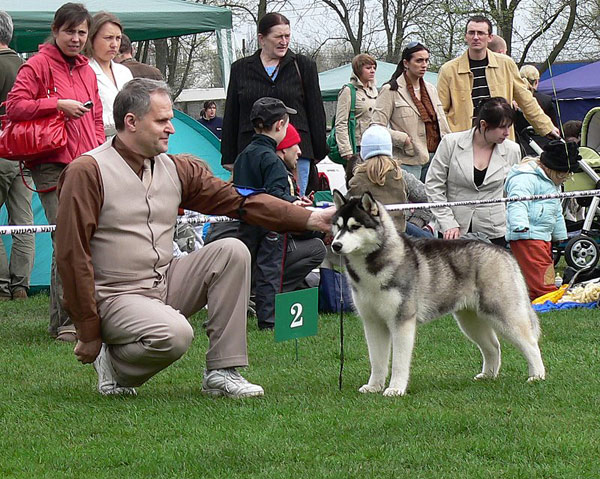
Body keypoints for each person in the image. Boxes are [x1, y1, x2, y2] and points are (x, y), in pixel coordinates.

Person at [55, 79, 334, 397]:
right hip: (114, 297)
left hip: (164, 282)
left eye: (170, 119)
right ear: (131, 122)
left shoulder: (176, 168)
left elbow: (240, 201)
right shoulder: (87, 171)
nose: (171, 128)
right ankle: (112, 365)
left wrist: (309, 218)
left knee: (231, 251)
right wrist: (88, 330)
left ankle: (222, 371)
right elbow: (72, 256)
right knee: (175, 334)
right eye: (162, 120)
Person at [5, 2, 105, 342]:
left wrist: (98, 154)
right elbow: (14, 107)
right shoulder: (36, 64)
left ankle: (63, 319)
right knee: (68, 238)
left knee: (72, 237)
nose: (76, 38)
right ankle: (68, 321)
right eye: (69, 31)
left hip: (85, 163)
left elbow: (95, 117)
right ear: (55, 30)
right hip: (50, 162)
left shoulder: (88, 71)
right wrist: (57, 104)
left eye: (81, 32)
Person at [221, 12, 328, 196]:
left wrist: (318, 152)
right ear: (262, 39)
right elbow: (232, 113)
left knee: (294, 204)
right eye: (278, 37)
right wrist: (229, 156)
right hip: (251, 152)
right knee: (254, 204)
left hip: (296, 151)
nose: (284, 42)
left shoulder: (303, 65)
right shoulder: (240, 68)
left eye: (287, 36)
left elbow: (316, 111)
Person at [233, 97, 312, 330]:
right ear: (280, 126)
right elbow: (276, 194)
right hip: (270, 225)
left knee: (242, 269)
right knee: (269, 270)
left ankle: (231, 313)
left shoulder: (244, 155)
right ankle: (268, 320)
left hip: (245, 220)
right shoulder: (272, 161)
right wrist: (294, 202)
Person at [436, 15, 559, 141]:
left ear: (490, 37)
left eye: (481, 33)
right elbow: (439, 111)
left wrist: (546, 127)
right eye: (471, 33)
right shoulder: (448, 70)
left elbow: (526, 100)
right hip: (463, 141)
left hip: (501, 140)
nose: (476, 37)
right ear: (465, 36)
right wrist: (447, 140)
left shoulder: (506, 64)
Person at [425, 97, 521, 245]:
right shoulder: (450, 143)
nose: (507, 133)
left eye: (509, 126)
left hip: (494, 230)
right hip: (453, 230)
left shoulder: (512, 150)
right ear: (483, 125)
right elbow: (434, 185)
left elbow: (512, 191)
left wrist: (508, 220)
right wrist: (447, 222)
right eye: (502, 127)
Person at [505, 141, 580, 300]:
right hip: (527, 235)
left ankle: (535, 296)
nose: (565, 179)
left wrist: (560, 233)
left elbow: (556, 210)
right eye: (564, 175)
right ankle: (547, 295)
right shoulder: (525, 178)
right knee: (540, 268)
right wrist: (519, 224)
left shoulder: (552, 182)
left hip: (542, 235)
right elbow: (517, 202)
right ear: (553, 169)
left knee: (543, 268)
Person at [371, 42, 451, 183]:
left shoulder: (431, 89)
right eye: (419, 61)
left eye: (426, 60)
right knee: (410, 197)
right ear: (406, 63)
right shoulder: (390, 90)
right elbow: (376, 127)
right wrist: (403, 139)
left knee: (432, 196)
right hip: (408, 160)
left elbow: (441, 122)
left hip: (436, 158)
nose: (424, 65)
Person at [0, 11, 34, 301]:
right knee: (24, 221)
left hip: (0, 150)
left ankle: (1, 286)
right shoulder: (26, 68)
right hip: (26, 152)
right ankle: (21, 286)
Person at [348, 125, 433, 237]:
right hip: (400, 236)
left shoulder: (356, 181)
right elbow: (429, 197)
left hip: (368, 239)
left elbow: (344, 212)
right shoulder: (400, 175)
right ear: (389, 149)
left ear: (363, 152)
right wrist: (416, 222)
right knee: (430, 241)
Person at [275, 123, 327, 292]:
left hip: (267, 247)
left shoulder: (279, 171)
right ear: (284, 149)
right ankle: (277, 290)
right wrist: (321, 230)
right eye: (295, 145)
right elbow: (289, 223)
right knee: (317, 248)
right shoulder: (280, 175)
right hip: (274, 247)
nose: (299, 151)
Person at [85, 12, 133, 137]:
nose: (114, 44)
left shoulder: (124, 72)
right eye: (108, 38)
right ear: (92, 38)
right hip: (97, 141)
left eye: (118, 38)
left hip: (128, 140)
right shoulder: (83, 72)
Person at [334, 53, 378, 183]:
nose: (372, 71)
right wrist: (346, 150)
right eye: (368, 68)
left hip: (373, 145)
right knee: (357, 183)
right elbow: (341, 123)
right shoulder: (348, 91)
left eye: (374, 67)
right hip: (356, 146)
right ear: (358, 70)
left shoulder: (374, 90)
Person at [514, 64, 558, 154]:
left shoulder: (511, 101)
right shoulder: (547, 100)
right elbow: (554, 126)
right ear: (537, 81)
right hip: (544, 146)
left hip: (519, 145)